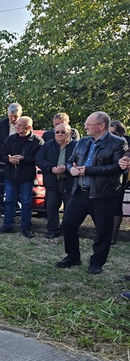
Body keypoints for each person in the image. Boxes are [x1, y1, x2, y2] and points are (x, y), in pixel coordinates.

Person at [56, 112, 128, 274]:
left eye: (89, 124)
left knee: (103, 231)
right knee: (67, 224)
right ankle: (73, 256)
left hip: (103, 194)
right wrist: (72, 169)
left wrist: (88, 170)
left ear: (101, 126)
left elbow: (117, 168)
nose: (85, 127)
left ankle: (97, 262)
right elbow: (69, 161)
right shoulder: (82, 142)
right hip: (79, 192)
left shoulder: (117, 143)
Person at [0, 116, 43, 238]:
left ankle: (26, 227)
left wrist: (23, 158)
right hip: (11, 175)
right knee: (9, 201)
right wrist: (9, 159)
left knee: (26, 202)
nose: (17, 126)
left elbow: (39, 159)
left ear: (28, 127)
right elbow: (1, 154)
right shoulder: (10, 139)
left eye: (20, 125)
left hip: (27, 176)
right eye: (17, 125)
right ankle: (7, 225)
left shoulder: (37, 141)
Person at [36, 123, 75, 239]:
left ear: (71, 133)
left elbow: (81, 160)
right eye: (57, 132)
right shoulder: (48, 145)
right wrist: (52, 168)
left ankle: (68, 230)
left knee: (70, 208)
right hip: (52, 181)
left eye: (63, 132)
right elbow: (39, 160)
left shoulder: (77, 146)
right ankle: (52, 229)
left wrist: (67, 168)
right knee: (51, 207)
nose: (60, 134)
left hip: (69, 181)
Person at [0, 102, 22, 217]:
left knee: (17, 187)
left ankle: (16, 209)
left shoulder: (23, 124)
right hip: (2, 160)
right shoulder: (0, 125)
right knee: (0, 186)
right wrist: (6, 154)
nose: (13, 119)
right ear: (7, 114)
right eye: (11, 116)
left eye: (16, 117)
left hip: (18, 162)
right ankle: (0, 209)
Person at [108, 120, 130, 244]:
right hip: (108, 176)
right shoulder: (106, 142)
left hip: (123, 176)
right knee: (108, 204)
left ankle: (113, 236)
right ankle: (107, 234)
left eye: (114, 133)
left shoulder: (127, 141)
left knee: (117, 204)